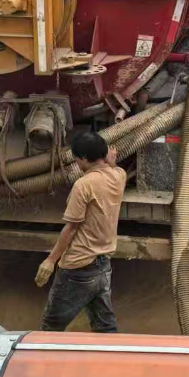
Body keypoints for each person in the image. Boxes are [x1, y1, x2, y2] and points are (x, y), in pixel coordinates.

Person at [36, 131, 126, 332]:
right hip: (103, 265)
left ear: (84, 158)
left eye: (76, 158)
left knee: (50, 328)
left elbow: (71, 228)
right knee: (105, 327)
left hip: (78, 267)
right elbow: (114, 169)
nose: (76, 163)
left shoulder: (83, 184)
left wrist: (50, 260)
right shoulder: (119, 176)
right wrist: (111, 162)